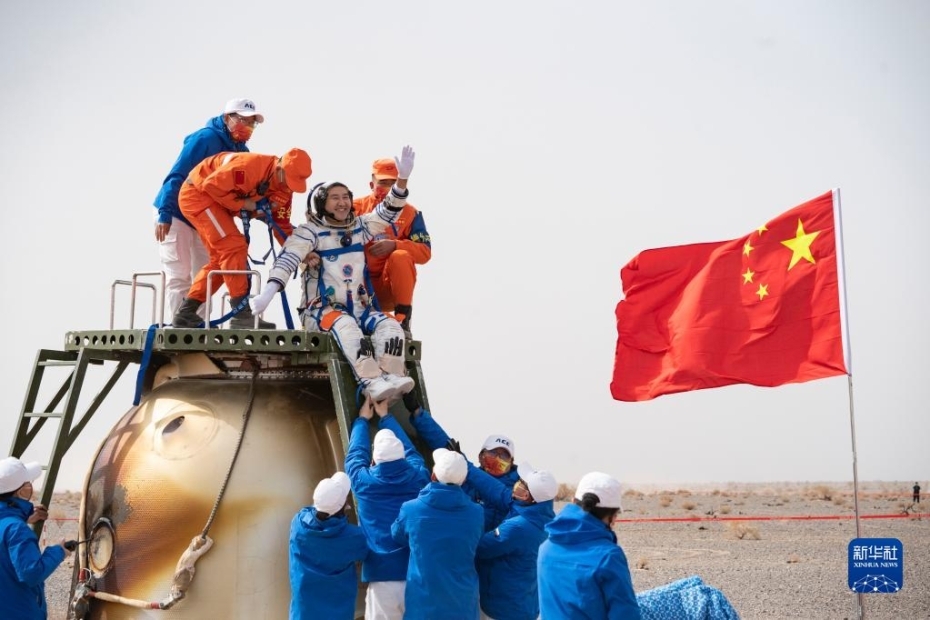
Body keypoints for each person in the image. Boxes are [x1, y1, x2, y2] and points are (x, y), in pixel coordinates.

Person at [252, 146, 417, 402]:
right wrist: (268, 293)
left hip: (360, 308)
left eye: (345, 197)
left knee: (391, 326)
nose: (342, 203)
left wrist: (402, 180)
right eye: (334, 198)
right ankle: (371, 381)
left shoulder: (360, 227)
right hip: (321, 311)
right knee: (347, 328)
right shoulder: (309, 233)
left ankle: (391, 375)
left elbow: (388, 212)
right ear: (321, 203)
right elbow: (287, 260)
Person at [172, 148, 312, 329]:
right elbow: (210, 185)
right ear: (279, 169)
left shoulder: (285, 190)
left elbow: (282, 227)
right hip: (197, 195)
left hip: (216, 200)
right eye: (289, 181)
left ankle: (186, 313)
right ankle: (241, 313)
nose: (288, 187)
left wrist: (302, 254)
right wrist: (243, 204)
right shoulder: (248, 167)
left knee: (222, 260)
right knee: (233, 247)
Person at [153, 98, 263, 324]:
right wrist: (165, 212)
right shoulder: (206, 138)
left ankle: (200, 329)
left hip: (206, 218)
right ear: (227, 118)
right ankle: (179, 328)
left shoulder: (242, 151)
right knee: (179, 274)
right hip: (176, 213)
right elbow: (178, 173)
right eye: (243, 120)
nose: (248, 127)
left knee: (208, 272)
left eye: (252, 123)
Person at [345, 397, 431, 620]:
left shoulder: (364, 482)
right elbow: (413, 453)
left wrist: (362, 420)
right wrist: (386, 417)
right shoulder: (419, 477)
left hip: (382, 577)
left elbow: (355, 456)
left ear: (374, 459)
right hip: (416, 575)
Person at [391, 448, 484, 620]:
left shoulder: (410, 509)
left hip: (423, 608)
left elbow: (397, 535)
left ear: (433, 475)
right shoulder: (477, 512)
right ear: (463, 480)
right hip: (462, 606)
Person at [405, 393, 520, 531]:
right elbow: (445, 447)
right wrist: (417, 412)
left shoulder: (518, 492)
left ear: (511, 462)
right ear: (480, 456)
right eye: (493, 453)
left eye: (504, 455)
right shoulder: (466, 476)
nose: (497, 458)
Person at [537, 471, 641, 620]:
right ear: (613, 517)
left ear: (573, 501)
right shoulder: (608, 556)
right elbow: (625, 613)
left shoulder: (546, 547)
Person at [465, 462, 558, 620]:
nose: (517, 483)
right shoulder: (545, 519)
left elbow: (479, 549)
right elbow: (496, 490)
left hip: (502, 610)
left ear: (527, 496)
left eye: (522, 482)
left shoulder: (518, 527)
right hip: (525, 603)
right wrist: (467, 466)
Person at [353, 157, 432, 336]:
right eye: (383, 183)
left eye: (393, 183)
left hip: (386, 289)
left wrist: (395, 245)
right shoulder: (354, 208)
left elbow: (425, 253)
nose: (388, 188)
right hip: (355, 288)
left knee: (401, 256)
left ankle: (402, 321)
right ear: (371, 184)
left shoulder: (411, 213)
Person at [288, 471, 369, 620]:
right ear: (344, 506)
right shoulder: (353, 537)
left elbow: (312, 512)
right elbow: (367, 550)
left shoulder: (298, 524)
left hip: (303, 613)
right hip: (338, 614)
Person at [0, 457, 72, 620]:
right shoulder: (16, 529)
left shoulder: (11, 526)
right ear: (22, 492)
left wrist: (23, 518)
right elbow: (32, 573)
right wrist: (58, 552)